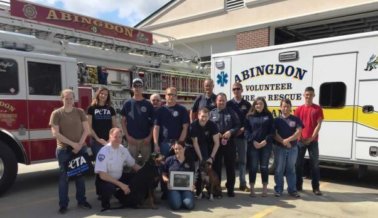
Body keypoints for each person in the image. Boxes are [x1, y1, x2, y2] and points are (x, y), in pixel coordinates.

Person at [49, 89, 92, 214]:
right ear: (62, 99)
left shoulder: (80, 112)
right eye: (66, 98)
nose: (68, 101)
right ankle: (63, 204)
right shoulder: (56, 113)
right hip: (64, 150)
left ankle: (82, 200)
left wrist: (79, 145)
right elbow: (55, 133)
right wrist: (73, 144)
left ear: (74, 99)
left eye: (71, 98)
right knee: (64, 178)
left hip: (80, 148)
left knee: (80, 176)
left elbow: (86, 130)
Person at [153, 87, 190, 199]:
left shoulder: (182, 110)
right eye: (169, 94)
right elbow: (156, 127)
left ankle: (178, 189)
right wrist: (156, 144)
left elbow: (185, 128)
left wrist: (179, 143)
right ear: (165, 96)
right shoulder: (160, 110)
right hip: (164, 144)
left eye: (174, 94)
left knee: (177, 167)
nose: (171, 96)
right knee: (163, 168)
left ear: (176, 96)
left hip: (177, 144)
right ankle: (165, 191)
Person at [94, 127, 141, 210]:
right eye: (115, 136)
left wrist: (146, 172)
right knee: (109, 188)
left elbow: (133, 165)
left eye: (120, 137)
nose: (118, 139)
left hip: (118, 177)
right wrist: (121, 185)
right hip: (105, 180)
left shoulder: (123, 149)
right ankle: (105, 202)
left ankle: (122, 196)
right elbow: (103, 175)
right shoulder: (104, 151)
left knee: (137, 178)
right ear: (110, 136)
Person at [209, 93, 240, 197]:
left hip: (229, 144)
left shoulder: (231, 112)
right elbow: (208, 126)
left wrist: (230, 132)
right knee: (216, 167)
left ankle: (230, 189)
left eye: (223, 100)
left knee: (230, 167)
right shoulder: (211, 113)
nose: (221, 102)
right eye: (219, 100)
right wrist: (215, 133)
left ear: (226, 101)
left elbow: (237, 125)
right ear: (216, 101)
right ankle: (217, 189)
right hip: (216, 145)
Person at [295, 86, 324, 196]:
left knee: (315, 164)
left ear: (314, 95)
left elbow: (319, 124)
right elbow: (297, 126)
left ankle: (316, 187)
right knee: (298, 164)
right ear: (304, 95)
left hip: (313, 141)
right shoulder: (298, 109)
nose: (308, 96)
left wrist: (311, 138)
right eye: (307, 94)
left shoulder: (317, 109)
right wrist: (301, 137)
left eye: (310, 95)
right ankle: (298, 185)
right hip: (300, 140)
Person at [245, 96, 274, 197]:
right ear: (254, 105)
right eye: (257, 104)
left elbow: (272, 131)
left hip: (265, 145)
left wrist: (265, 141)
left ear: (264, 105)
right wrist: (253, 141)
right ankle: (252, 189)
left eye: (261, 104)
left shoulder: (269, 115)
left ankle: (264, 189)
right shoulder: (249, 116)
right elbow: (246, 131)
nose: (258, 105)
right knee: (253, 167)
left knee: (264, 167)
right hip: (253, 145)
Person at [273, 99, 303, 198]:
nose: (285, 108)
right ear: (280, 107)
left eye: (287, 106)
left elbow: (298, 132)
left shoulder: (295, 119)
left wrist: (288, 140)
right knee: (279, 170)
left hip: (293, 148)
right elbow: (274, 134)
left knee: (291, 169)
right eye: (283, 106)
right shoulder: (277, 120)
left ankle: (292, 190)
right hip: (279, 148)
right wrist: (283, 142)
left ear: (290, 107)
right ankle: (278, 190)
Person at [121, 78, 154, 164]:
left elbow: (154, 123)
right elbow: (123, 121)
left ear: (143, 88)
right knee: (131, 165)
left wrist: (149, 137)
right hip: (132, 140)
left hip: (145, 140)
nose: (137, 88)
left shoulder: (148, 104)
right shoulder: (127, 103)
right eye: (135, 86)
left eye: (140, 86)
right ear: (132, 88)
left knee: (147, 164)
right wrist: (127, 136)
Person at [226, 82, 251, 191]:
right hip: (231, 136)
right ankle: (229, 183)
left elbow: (250, 119)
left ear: (242, 90)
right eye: (234, 89)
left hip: (242, 136)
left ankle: (242, 184)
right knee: (230, 161)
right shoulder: (228, 104)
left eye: (238, 89)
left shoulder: (247, 104)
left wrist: (244, 128)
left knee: (242, 161)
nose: (236, 91)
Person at [190, 108, 220, 196]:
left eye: (206, 116)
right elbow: (195, 143)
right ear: (198, 115)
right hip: (192, 146)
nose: (204, 118)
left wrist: (211, 157)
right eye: (202, 116)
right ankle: (193, 190)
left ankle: (208, 191)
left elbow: (217, 143)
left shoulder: (212, 125)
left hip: (204, 145)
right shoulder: (193, 125)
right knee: (195, 169)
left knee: (206, 170)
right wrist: (201, 158)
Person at [162, 141, 195, 210]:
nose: (178, 151)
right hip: (173, 188)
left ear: (184, 149)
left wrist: (193, 185)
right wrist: (167, 181)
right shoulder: (169, 160)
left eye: (180, 148)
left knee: (189, 205)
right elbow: (163, 174)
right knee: (176, 206)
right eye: (176, 149)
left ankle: (182, 198)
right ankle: (177, 199)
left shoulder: (190, 160)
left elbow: (193, 175)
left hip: (186, 189)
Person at [87, 87, 117, 158]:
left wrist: (110, 139)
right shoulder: (91, 108)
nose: (103, 96)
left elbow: (114, 126)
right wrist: (98, 139)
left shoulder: (111, 109)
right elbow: (89, 127)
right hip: (96, 141)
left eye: (106, 95)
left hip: (109, 140)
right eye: (102, 93)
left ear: (108, 97)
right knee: (100, 160)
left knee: (110, 160)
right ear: (98, 94)